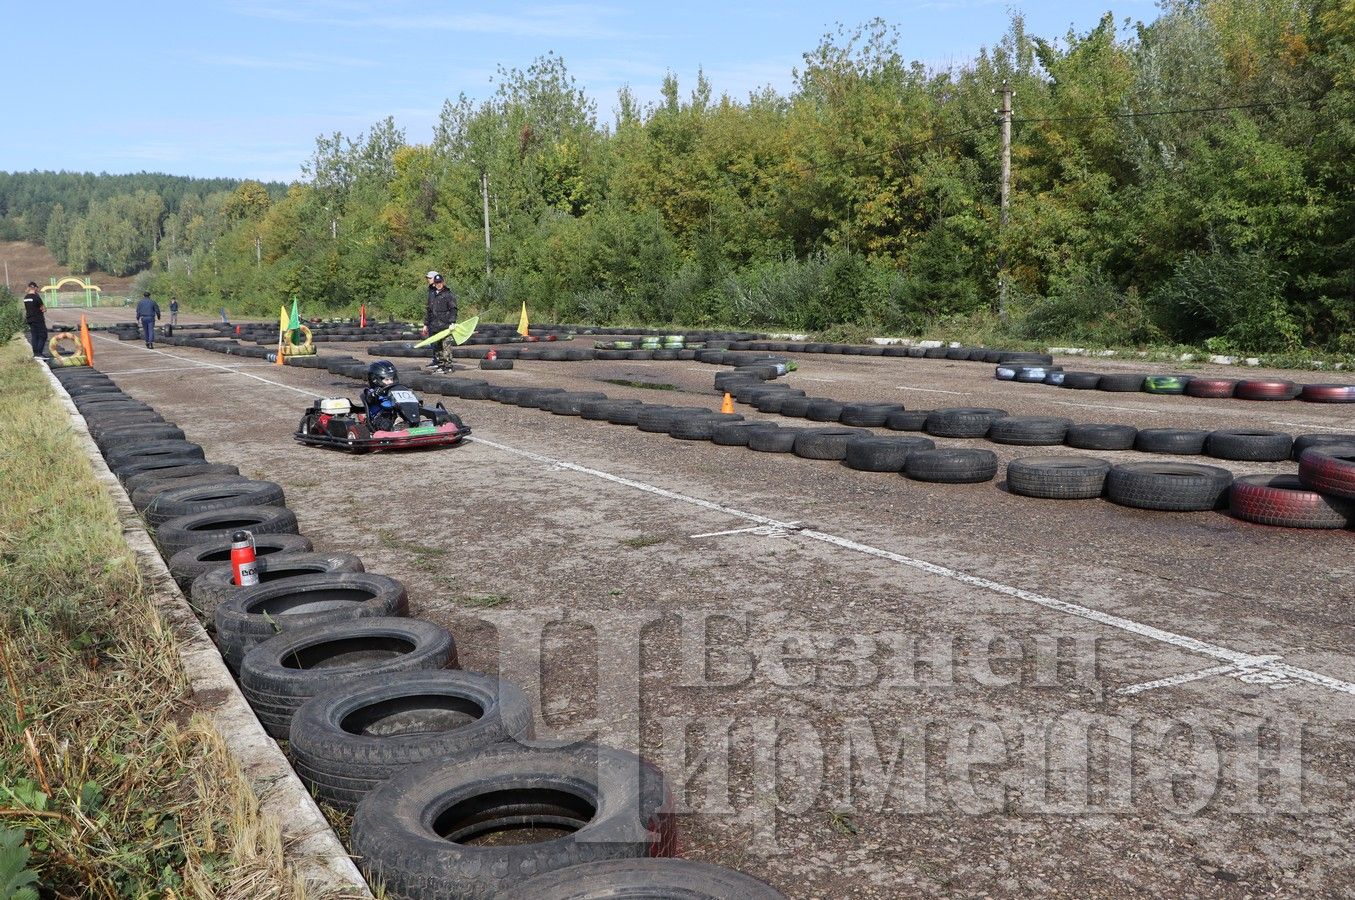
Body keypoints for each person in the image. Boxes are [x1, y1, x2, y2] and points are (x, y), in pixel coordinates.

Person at [361, 360, 420, 432]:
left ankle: (415, 423)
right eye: (387, 380)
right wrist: (375, 394)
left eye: (392, 379)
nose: (391, 382)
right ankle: (397, 428)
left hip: (396, 414)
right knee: (387, 425)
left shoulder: (395, 391)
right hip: (379, 418)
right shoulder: (370, 391)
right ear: (375, 380)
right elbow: (369, 398)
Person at [425, 273, 458, 372]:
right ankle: (440, 365)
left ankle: (448, 366)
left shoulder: (448, 295)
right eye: (437, 282)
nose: (439, 284)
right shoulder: (432, 295)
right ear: (434, 284)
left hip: (446, 326)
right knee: (437, 347)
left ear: (443, 282)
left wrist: (452, 322)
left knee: (446, 347)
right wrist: (426, 324)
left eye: (440, 282)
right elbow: (428, 310)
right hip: (434, 326)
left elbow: (453, 309)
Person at [22, 282, 49, 359]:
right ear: (35, 288)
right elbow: (43, 309)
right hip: (38, 319)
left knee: (34, 336)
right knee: (43, 335)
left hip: (30, 319)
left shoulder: (26, 297)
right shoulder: (36, 297)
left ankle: (35, 354)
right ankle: (39, 353)